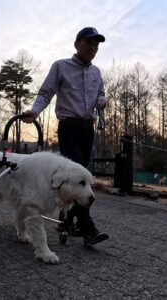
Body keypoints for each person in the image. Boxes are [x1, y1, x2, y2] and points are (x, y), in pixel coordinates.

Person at [22, 27, 109, 246]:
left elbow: (101, 93)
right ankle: (87, 226)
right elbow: (45, 93)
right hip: (68, 127)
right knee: (79, 175)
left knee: (83, 175)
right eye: (89, 43)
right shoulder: (61, 66)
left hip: (88, 129)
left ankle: (67, 221)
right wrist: (35, 111)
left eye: (96, 45)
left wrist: (102, 101)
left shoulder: (97, 72)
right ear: (77, 44)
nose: (93, 48)